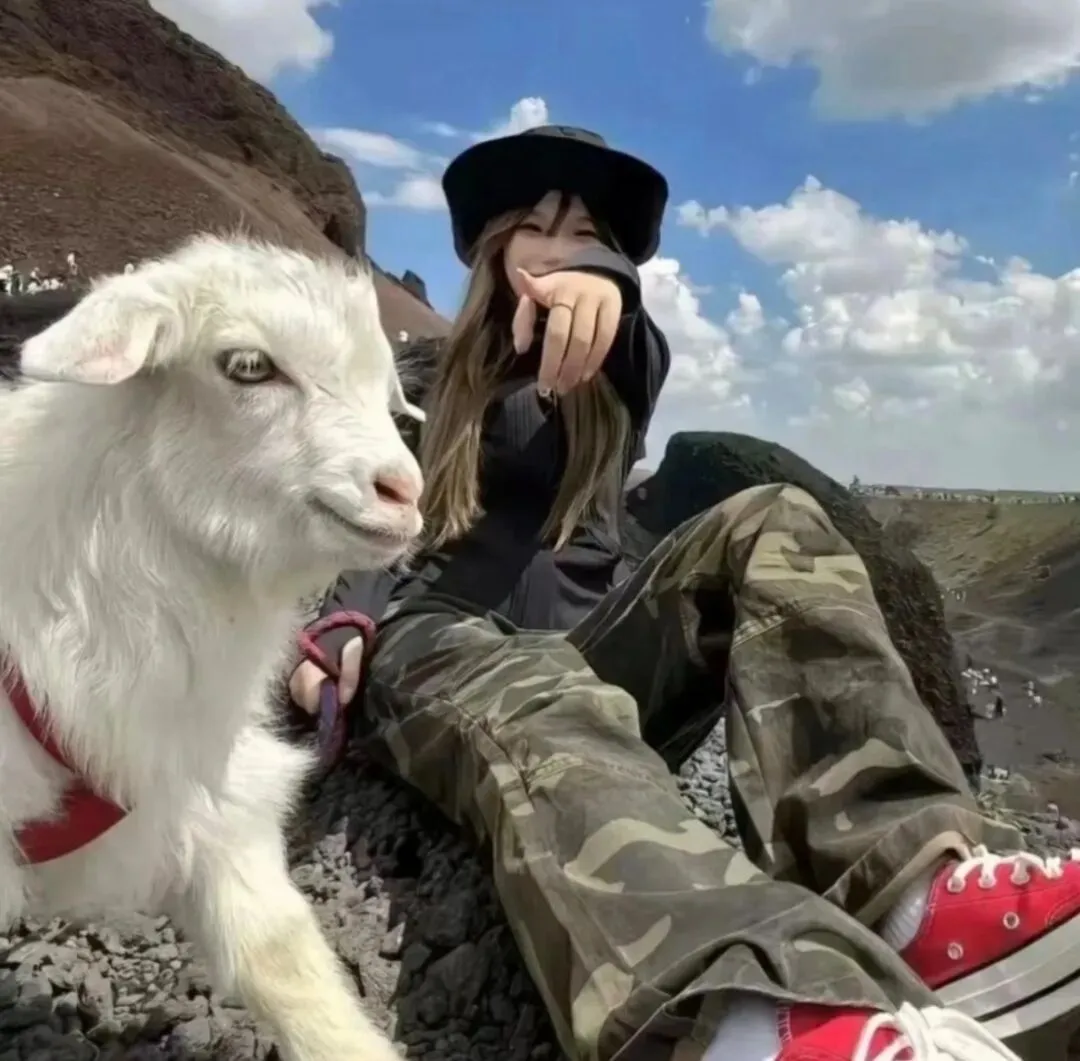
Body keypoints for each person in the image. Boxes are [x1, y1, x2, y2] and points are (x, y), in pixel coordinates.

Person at [289, 126, 1080, 1061]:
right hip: (438, 647)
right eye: (537, 225)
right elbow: (356, 518)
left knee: (775, 518)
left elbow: (629, 341)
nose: (559, 246)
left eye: (586, 232)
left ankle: (911, 899)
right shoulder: (417, 381)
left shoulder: (613, 376)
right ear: (495, 243)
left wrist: (604, 288)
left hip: (594, 662)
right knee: (533, 683)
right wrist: (337, 626)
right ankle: (740, 1023)